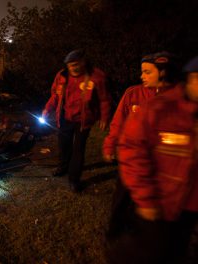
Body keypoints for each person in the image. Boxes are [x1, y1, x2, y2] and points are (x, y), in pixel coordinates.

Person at [109, 56, 198, 264]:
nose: (142, 76)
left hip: (189, 207)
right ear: (190, 79)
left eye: (147, 71)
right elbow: (128, 140)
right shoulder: (159, 108)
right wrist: (146, 198)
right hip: (161, 204)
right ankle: (115, 234)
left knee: (176, 250)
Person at [102, 52, 181, 239]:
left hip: (160, 165)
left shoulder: (178, 97)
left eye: (147, 72)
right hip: (131, 161)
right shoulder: (133, 93)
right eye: (142, 72)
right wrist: (109, 145)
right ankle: (114, 230)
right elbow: (118, 122)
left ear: (162, 73)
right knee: (122, 198)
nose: (141, 76)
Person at [42, 49, 111, 192]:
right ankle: (63, 167)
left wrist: (104, 116)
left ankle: (74, 179)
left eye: (75, 64)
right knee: (64, 145)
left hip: (84, 120)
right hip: (64, 117)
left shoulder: (96, 76)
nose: (73, 68)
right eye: (70, 65)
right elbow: (55, 95)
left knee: (78, 149)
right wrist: (47, 109)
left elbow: (104, 99)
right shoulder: (62, 76)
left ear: (83, 62)